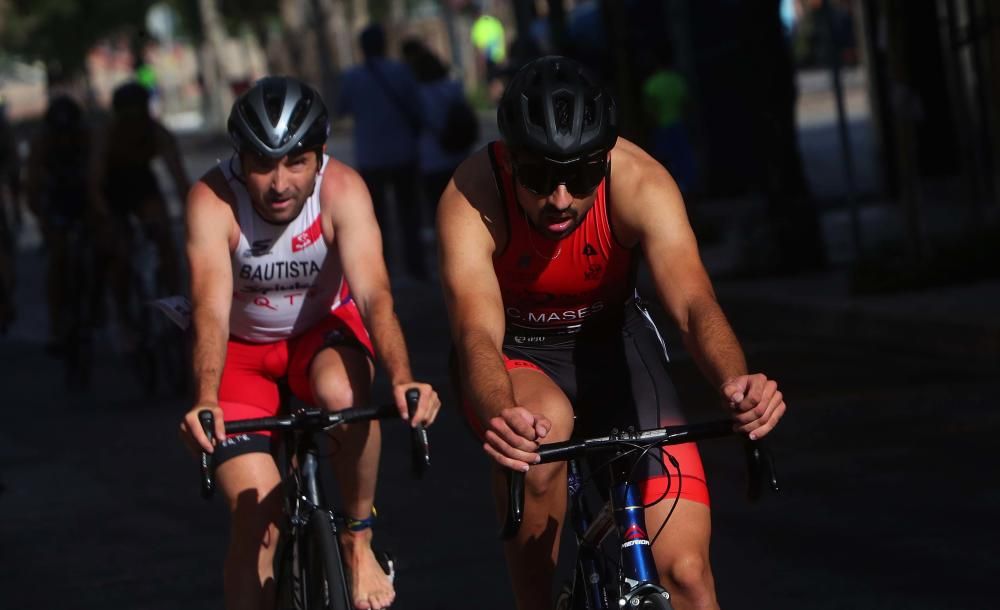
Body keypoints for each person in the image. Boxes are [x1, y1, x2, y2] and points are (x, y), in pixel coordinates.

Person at [437, 56, 786, 610]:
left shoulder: (640, 180)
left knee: (689, 576)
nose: (559, 198)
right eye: (538, 176)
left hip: (616, 345)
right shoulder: (471, 196)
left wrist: (738, 381)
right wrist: (503, 412)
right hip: (519, 357)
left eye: (579, 177)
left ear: (603, 161)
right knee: (541, 441)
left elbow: (694, 303)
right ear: (508, 161)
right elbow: (476, 332)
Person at [178, 76, 441, 610]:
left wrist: (404, 376)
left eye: (296, 162)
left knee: (345, 397)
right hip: (241, 354)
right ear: (239, 161)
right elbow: (208, 305)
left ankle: (357, 538)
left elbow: (375, 295)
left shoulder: (342, 190)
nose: (279, 183)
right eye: (261, 164)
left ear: (320, 157)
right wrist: (205, 396)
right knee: (259, 526)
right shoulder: (212, 200)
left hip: (318, 336)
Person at [93, 81, 189, 343]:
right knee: (120, 253)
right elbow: (95, 184)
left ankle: (175, 302)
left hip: (142, 185)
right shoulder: (106, 136)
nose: (134, 122)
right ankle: (124, 316)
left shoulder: (158, 133)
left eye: (139, 114)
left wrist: (191, 212)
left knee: (165, 238)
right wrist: (105, 218)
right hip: (111, 189)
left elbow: (179, 179)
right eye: (128, 116)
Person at [337, 24, 429, 280]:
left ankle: (383, 267)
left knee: (376, 218)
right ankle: (416, 265)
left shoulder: (352, 77)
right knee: (409, 213)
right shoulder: (400, 71)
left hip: (371, 155)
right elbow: (416, 107)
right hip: (403, 152)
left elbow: (342, 108)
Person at [24, 95, 95, 349]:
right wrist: (43, 222)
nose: (65, 138)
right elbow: (32, 187)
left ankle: (98, 304)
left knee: (101, 248)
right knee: (58, 258)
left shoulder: (88, 138)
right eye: (59, 134)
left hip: (85, 193)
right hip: (55, 197)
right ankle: (56, 324)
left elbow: (98, 180)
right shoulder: (41, 142)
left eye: (69, 133)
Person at [400, 38, 472, 229]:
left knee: (437, 207)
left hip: (431, 159)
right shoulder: (453, 88)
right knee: (463, 202)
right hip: (458, 154)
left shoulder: (418, 94)